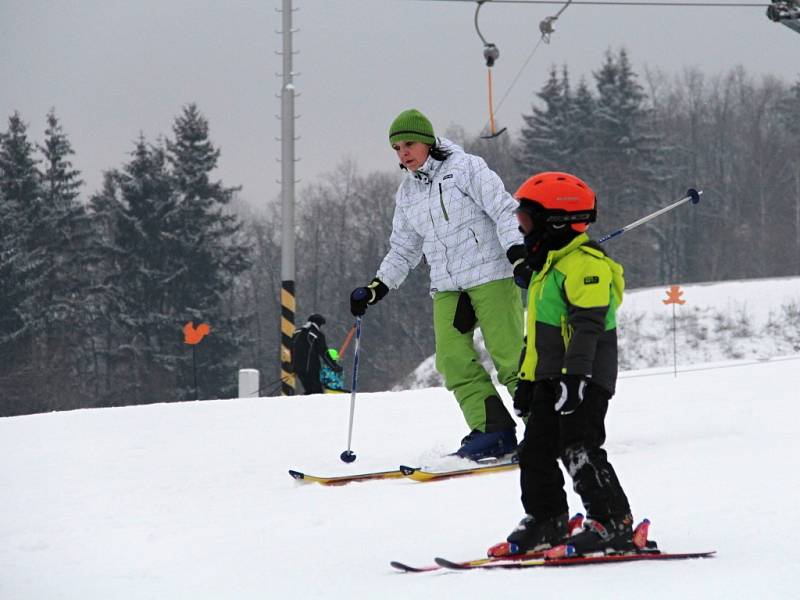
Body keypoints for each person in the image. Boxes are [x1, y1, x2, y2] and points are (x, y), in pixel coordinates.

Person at [349, 108, 528, 460]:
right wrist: (376, 287)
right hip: (447, 286)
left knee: (508, 355)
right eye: (397, 148)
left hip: (490, 274)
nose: (403, 153)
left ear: (428, 141)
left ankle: (542, 425)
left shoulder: (466, 168)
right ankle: (492, 429)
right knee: (451, 360)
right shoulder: (407, 195)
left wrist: (518, 253)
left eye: (409, 144)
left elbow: (505, 211)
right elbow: (403, 249)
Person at [497, 171, 634, 557]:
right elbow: (537, 335)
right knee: (535, 450)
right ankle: (548, 519)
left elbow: (587, 326)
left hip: (584, 377)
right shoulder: (548, 267)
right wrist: (527, 380)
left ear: (554, 223)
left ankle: (613, 522)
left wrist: (576, 378)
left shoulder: (585, 266)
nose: (521, 228)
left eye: (526, 219)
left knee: (579, 445)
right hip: (548, 377)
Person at [291, 314, 342, 395]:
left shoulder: (296, 332)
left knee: (309, 391)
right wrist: (334, 366)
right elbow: (324, 353)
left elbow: (292, 350)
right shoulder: (317, 335)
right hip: (311, 368)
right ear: (318, 324)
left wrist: (293, 367)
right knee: (317, 393)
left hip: (299, 368)